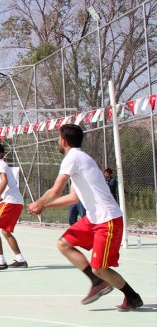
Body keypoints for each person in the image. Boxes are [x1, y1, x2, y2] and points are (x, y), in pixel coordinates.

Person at [28, 124, 143, 311]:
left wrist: (38, 203)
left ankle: (132, 297)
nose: (58, 141)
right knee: (64, 243)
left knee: (100, 267)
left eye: (58, 138)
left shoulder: (72, 157)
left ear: (63, 141)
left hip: (108, 220)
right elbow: (74, 197)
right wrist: (46, 206)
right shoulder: (80, 159)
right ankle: (97, 282)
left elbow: (56, 190)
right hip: (94, 219)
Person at [0, 143, 28, 271]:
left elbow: (4, 181)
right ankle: (20, 259)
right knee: (5, 231)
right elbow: (10, 187)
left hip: (11, 202)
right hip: (15, 201)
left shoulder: (0, 164)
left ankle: (1, 262)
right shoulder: (2, 166)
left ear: (1, 155)